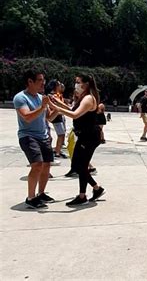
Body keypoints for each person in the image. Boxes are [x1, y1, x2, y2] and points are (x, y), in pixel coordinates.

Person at [50, 74, 105, 206]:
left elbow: (74, 114)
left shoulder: (88, 99)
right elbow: (72, 109)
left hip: (90, 137)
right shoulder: (82, 98)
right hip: (84, 136)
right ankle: (95, 189)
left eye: (78, 82)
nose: (76, 85)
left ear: (86, 84)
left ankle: (83, 195)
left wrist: (58, 109)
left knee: (80, 166)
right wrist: (58, 103)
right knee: (78, 165)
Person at [14, 70, 57, 209]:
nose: (43, 83)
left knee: (46, 165)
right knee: (37, 165)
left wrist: (58, 107)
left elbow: (49, 118)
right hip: (28, 136)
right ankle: (30, 197)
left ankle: (41, 193)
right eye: (39, 80)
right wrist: (43, 106)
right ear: (30, 81)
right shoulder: (20, 98)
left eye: (43, 80)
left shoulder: (40, 97)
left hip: (43, 136)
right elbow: (27, 117)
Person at [46, 79, 68, 159]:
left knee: (61, 134)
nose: (60, 86)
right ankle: (57, 152)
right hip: (56, 117)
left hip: (59, 116)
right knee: (61, 134)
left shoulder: (57, 94)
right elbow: (58, 105)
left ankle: (57, 149)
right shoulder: (53, 95)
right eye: (58, 85)